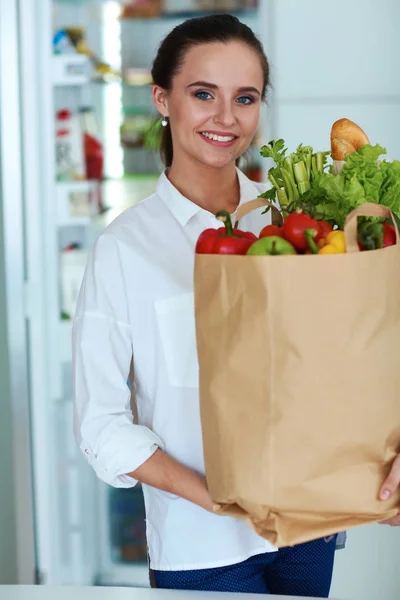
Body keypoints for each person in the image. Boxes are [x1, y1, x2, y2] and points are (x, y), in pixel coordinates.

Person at [72, 14, 400, 597]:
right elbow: (101, 427)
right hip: (202, 549)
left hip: (308, 532)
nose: (226, 118)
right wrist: (221, 501)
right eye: (204, 94)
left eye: (244, 98)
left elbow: (353, 359)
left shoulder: (296, 219)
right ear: (162, 99)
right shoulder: (124, 248)